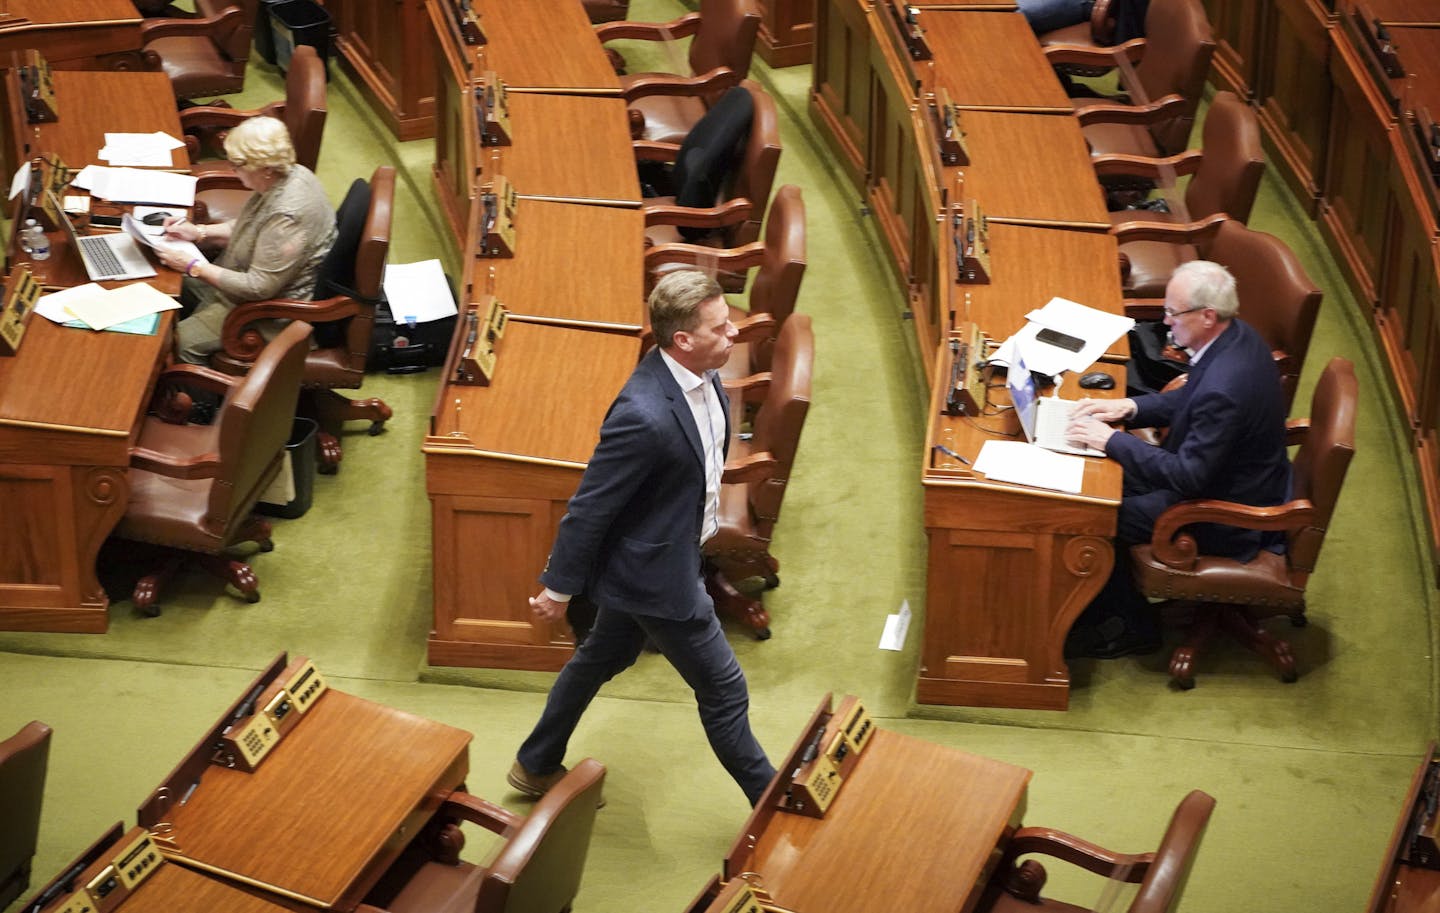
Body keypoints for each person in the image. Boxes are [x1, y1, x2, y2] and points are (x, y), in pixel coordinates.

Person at [509, 270, 777, 807]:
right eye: (721, 329)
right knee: (724, 690)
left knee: (598, 660)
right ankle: (772, 802)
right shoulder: (642, 414)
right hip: (659, 579)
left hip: (660, 558)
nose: (734, 336)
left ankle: (535, 763)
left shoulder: (707, 373)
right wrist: (558, 590)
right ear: (682, 340)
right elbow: (590, 507)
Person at [1062, 260, 1291, 657]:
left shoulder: (1226, 385)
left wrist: (1109, 442)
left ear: (1207, 315)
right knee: (1098, 477)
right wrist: (1128, 408)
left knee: (1098, 513)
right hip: (1226, 476)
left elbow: (1187, 476)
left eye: (1172, 313)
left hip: (1223, 513)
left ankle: (1129, 625)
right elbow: (1190, 398)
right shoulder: (1235, 337)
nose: (1166, 323)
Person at [155, 115, 336, 365]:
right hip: (241, 279)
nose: (232, 170)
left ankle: (203, 403)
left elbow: (259, 287)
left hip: (268, 311)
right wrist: (198, 232)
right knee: (165, 283)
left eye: (238, 165)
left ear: (266, 169)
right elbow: (249, 228)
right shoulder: (288, 174)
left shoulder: (288, 216)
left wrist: (193, 267)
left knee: (180, 343)